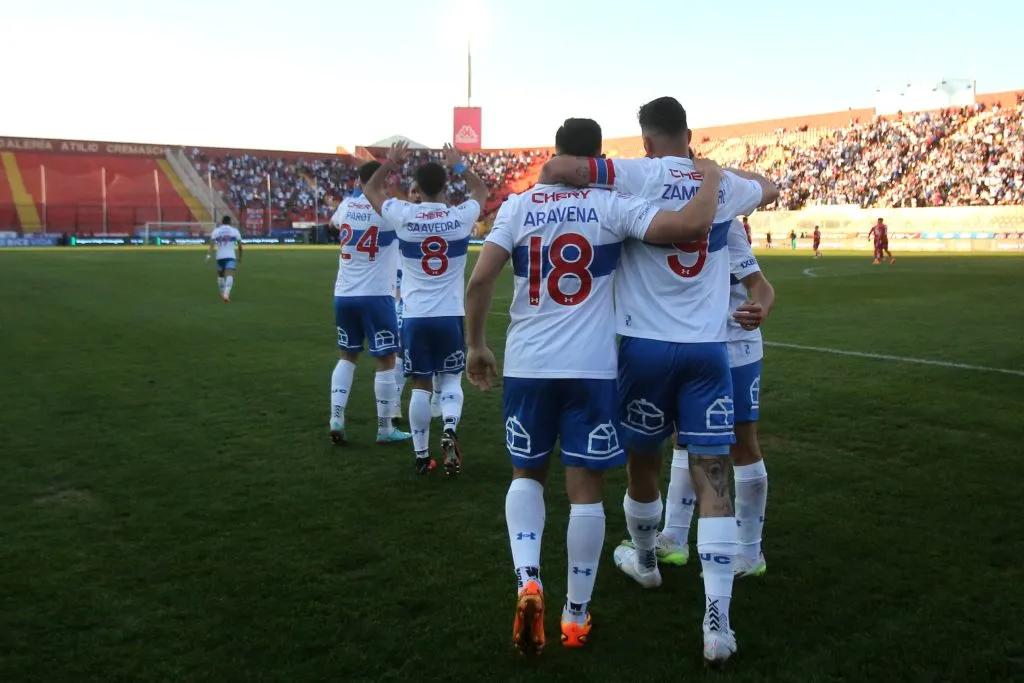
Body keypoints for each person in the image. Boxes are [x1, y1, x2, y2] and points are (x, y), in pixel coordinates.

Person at [465, 117, 723, 656]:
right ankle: (576, 618)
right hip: (591, 367)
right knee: (585, 489)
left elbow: (481, 278)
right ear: (596, 158)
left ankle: (528, 580)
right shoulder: (610, 205)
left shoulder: (517, 207)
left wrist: (476, 345)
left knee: (527, 475)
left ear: (557, 153)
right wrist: (712, 178)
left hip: (529, 365)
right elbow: (686, 228)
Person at [538, 96, 779, 664]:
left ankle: (646, 562)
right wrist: (722, 174)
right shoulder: (721, 188)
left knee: (641, 463)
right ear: (689, 133)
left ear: (645, 140)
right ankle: (717, 622)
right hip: (708, 354)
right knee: (712, 472)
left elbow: (559, 170)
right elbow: (769, 188)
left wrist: (601, 170)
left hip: (644, 349)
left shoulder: (636, 173)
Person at [660, 219, 775, 581]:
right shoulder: (671, 218)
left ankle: (749, 550)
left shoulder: (725, 224)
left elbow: (760, 285)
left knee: (742, 444)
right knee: (683, 437)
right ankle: (674, 537)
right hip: (694, 344)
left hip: (735, 345)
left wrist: (761, 307)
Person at [364, 141, 488, 476]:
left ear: (416, 186)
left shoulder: (403, 213)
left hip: (416, 315)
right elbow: (482, 191)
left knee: (420, 382)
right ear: (445, 185)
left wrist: (390, 162)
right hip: (450, 314)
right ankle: (449, 426)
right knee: (450, 381)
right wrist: (459, 164)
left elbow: (370, 188)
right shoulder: (460, 217)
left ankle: (422, 456)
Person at [327, 161, 411, 446]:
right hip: (376, 295)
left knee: (347, 355)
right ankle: (385, 428)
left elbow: (331, 224)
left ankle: (336, 417)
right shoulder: (388, 211)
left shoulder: (346, 207)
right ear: (383, 181)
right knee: (385, 359)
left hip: (344, 294)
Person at [206, 216, 242, 302]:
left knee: (221, 276)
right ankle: (226, 295)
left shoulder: (216, 231)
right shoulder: (234, 231)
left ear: (222, 222)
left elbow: (211, 245)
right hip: (230, 256)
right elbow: (240, 246)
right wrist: (240, 257)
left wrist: (208, 256)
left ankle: (222, 293)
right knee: (229, 275)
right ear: (230, 222)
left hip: (220, 257)